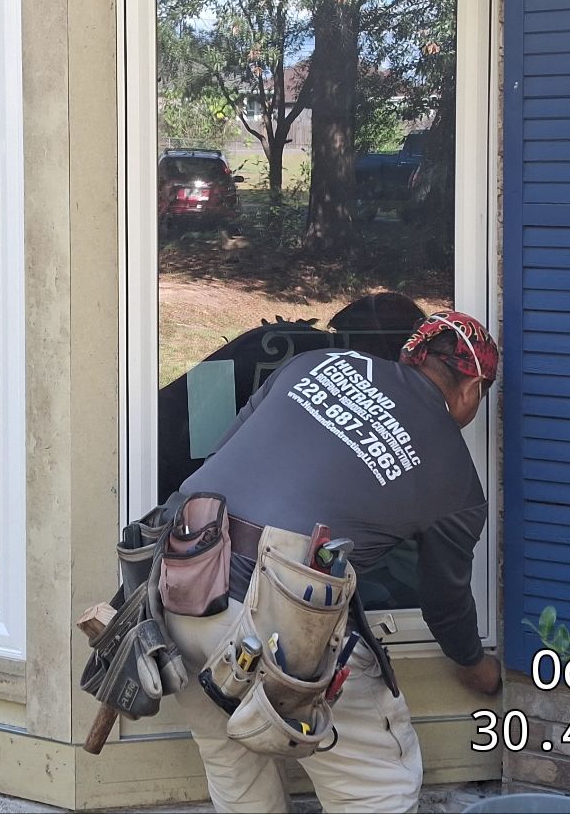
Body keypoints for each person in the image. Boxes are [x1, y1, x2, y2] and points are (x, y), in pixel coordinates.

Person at [168, 311, 503, 813]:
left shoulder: (316, 364)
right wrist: (476, 667)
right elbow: (444, 601)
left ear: (411, 354)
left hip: (183, 580)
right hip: (283, 618)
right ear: (473, 387)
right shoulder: (455, 478)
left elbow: (226, 454)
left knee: (232, 759)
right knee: (378, 786)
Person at [155, 291, 427, 502]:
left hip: (167, 441)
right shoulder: (304, 359)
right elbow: (199, 439)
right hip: (169, 465)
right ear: (378, 347)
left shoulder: (289, 344)